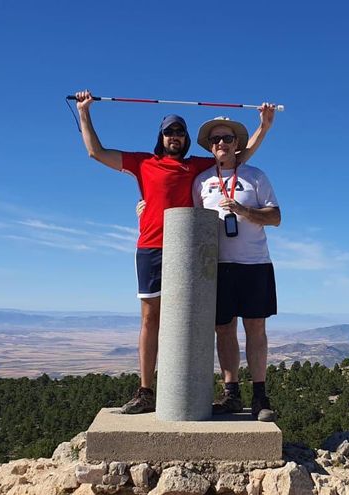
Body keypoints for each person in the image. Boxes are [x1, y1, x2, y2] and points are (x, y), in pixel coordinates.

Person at [73, 90, 275, 414]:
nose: (175, 137)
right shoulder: (142, 163)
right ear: (161, 136)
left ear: (186, 139)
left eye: (180, 132)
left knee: (192, 320)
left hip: (189, 252)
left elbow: (239, 156)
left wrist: (263, 127)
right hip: (151, 248)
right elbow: (96, 152)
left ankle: (206, 393)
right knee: (151, 318)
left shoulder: (199, 167)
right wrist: (84, 112)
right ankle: (145, 391)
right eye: (170, 132)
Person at [193, 116, 281, 422]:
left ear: (237, 144)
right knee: (223, 329)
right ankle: (231, 393)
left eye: (227, 138)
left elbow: (276, 217)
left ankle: (260, 396)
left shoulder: (255, 176)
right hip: (218, 267)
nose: (221, 143)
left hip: (255, 263)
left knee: (255, 329)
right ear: (210, 146)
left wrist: (243, 211)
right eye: (216, 139)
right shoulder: (201, 181)